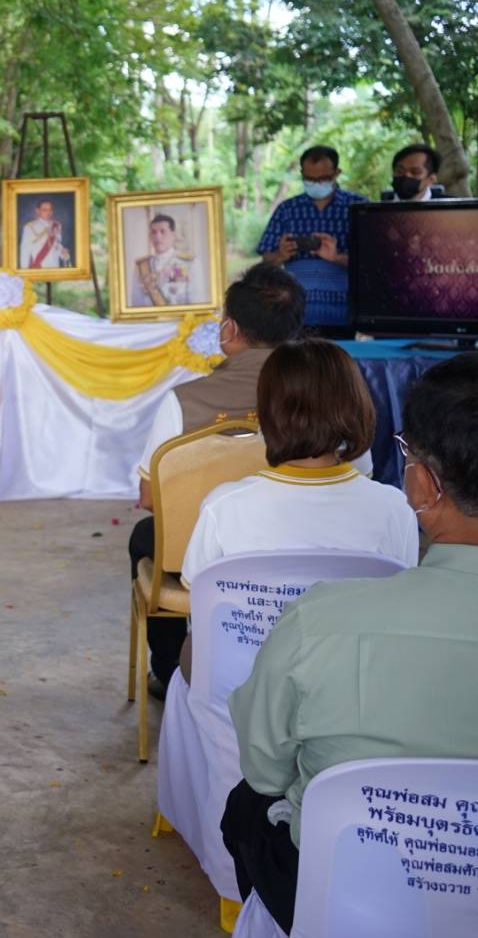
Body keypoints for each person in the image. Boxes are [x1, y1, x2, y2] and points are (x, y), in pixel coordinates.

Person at [221, 353, 478, 933]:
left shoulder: (319, 623)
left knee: (247, 806)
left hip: (350, 895)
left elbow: (263, 770)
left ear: (423, 483)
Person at [174, 339, 419, 679]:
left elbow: (200, 611)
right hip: (353, 695)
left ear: (267, 415)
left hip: (240, 702)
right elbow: (397, 613)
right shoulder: (395, 509)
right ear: (358, 408)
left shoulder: (223, 507)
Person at [129, 263, 305, 693]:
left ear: (229, 328)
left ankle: (171, 671)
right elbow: (362, 474)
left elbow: (152, 499)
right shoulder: (327, 395)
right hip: (304, 551)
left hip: (208, 561)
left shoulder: (183, 401)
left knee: (145, 535)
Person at [256, 144, 366, 332]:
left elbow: (373, 264)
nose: (316, 183)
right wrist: (280, 256)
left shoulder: (358, 208)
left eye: (323, 178)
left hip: (348, 312)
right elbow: (266, 260)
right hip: (296, 314)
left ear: (337, 172)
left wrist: (336, 257)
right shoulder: (287, 210)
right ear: (301, 174)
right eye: (309, 179)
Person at [130, 213, 195, 307]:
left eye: (163, 231)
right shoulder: (141, 266)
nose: (158, 236)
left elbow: (196, 303)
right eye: (154, 232)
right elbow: (136, 303)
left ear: (173, 234)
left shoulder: (189, 264)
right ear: (150, 236)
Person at [19, 199, 69, 269]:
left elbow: (57, 246)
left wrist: (63, 253)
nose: (48, 212)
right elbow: (25, 251)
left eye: (50, 210)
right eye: (44, 210)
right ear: (38, 211)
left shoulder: (57, 225)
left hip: (55, 266)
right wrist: (24, 270)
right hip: (39, 266)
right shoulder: (30, 227)